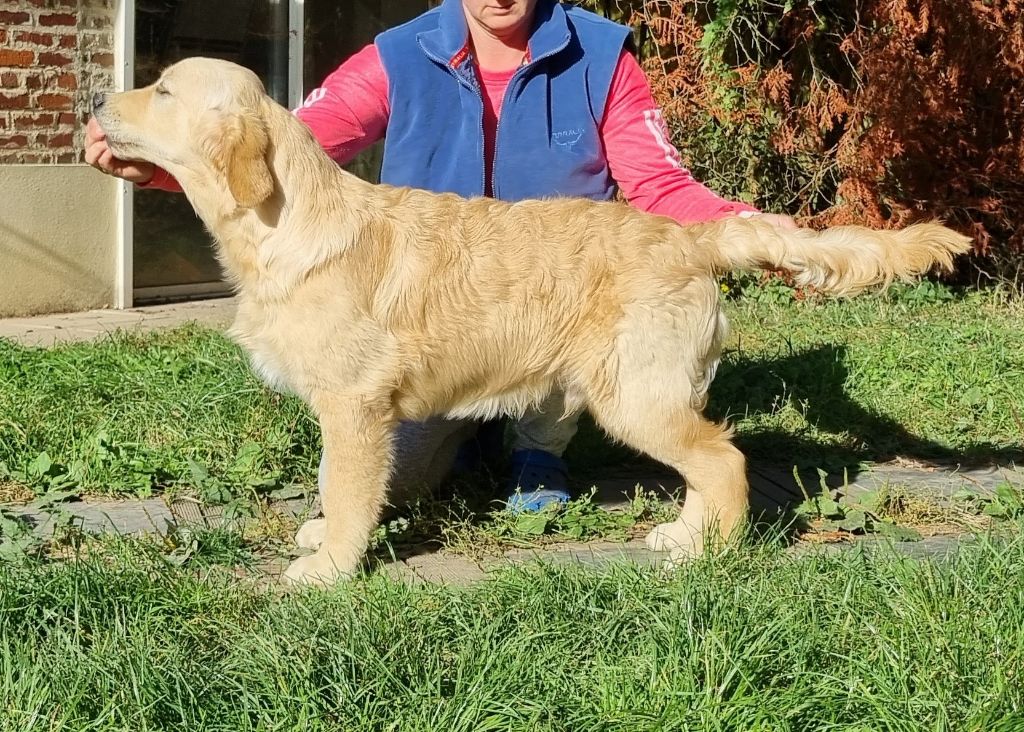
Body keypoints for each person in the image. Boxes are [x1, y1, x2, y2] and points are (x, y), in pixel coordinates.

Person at [86, 0, 797, 513]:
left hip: (561, 294)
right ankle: (467, 438)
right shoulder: (401, 51)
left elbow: (659, 184)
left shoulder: (602, 56)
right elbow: (292, 147)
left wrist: (758, 232)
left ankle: (537, 445)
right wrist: (160, 168)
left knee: (576, 361)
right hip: (430, 315)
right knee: (389, 482)